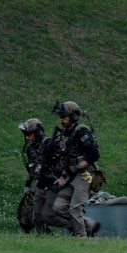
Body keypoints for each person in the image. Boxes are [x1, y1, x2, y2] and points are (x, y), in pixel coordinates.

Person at [48, 101, 100, 237]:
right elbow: (66, 160)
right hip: (70, 175)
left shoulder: (81, 132)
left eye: (64, 116)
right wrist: (60, 179)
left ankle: (81, 239)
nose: (62, 119)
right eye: (61, 116)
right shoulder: (65, 134)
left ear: (74, 117)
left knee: (75, 209)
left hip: (85, 175)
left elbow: (94, 154)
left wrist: (77, 167)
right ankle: (89, 225)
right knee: (58, 207)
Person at [19, 118, 64, 234]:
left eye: (29, 134)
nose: (27, 137)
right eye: (25, 134)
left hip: (53, 184)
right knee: (36, 217)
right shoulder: (30, 149)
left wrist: (61, 178)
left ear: (37, 133)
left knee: (48, 215)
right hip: (41, 184)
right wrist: (27, 186)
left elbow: (64, 163)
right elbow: (32, 170)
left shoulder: (50, 144)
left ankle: (76, 227)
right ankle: (47, 238)